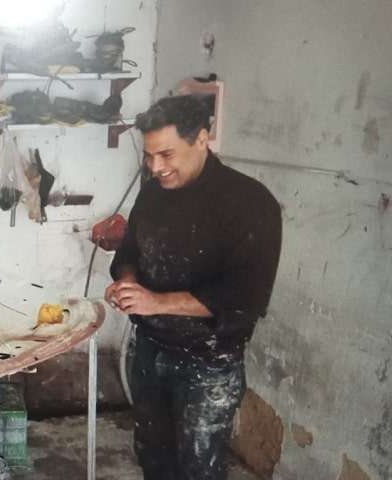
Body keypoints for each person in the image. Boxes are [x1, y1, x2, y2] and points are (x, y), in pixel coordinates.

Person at [105, 95, 282, 480]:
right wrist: (128, 283)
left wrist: (156, 302)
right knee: (152, 455)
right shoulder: (153, 192)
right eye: (149, 156)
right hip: (150, 349)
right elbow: (130, 251)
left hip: (208, 361)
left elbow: (244, 298)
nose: (156, 167)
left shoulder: (250, 203)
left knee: (199, 466)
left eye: (166, 155)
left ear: (202, 139)